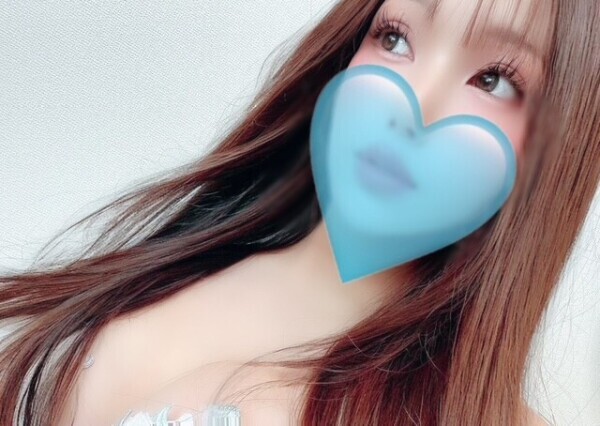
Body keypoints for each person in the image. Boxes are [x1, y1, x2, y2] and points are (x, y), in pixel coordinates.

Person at [0, 0, 598, 424]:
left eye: (493, 80)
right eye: (394, 38)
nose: (414, 103)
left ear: (558, 148)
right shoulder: (136, 294)